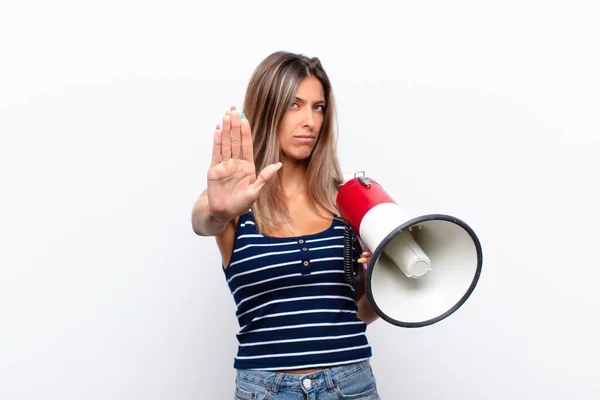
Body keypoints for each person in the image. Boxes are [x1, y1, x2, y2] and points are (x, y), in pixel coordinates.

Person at [192, 51, 381, 399]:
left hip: (349, 384)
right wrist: (219, 212)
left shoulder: (345, 202)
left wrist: (382, 284)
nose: (309, 120)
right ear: (268, 108)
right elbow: (203, 220)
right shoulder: (235, 202)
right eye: (294, 105)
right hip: (265, 390)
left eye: (318, 107)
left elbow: (359, 313)